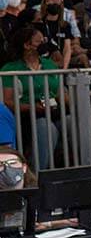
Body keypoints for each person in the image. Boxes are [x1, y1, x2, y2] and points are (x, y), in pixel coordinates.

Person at [2, 26, 63, 171]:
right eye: (39, 41)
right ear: (27, 45)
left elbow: (60, 93)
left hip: (52, 110)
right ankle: (36, 174)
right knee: (45, 126)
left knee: (70, 122)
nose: (44, 44)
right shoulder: (10, 69)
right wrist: (34, 107)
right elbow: (8, 101)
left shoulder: (50, 65)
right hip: (26, 115)